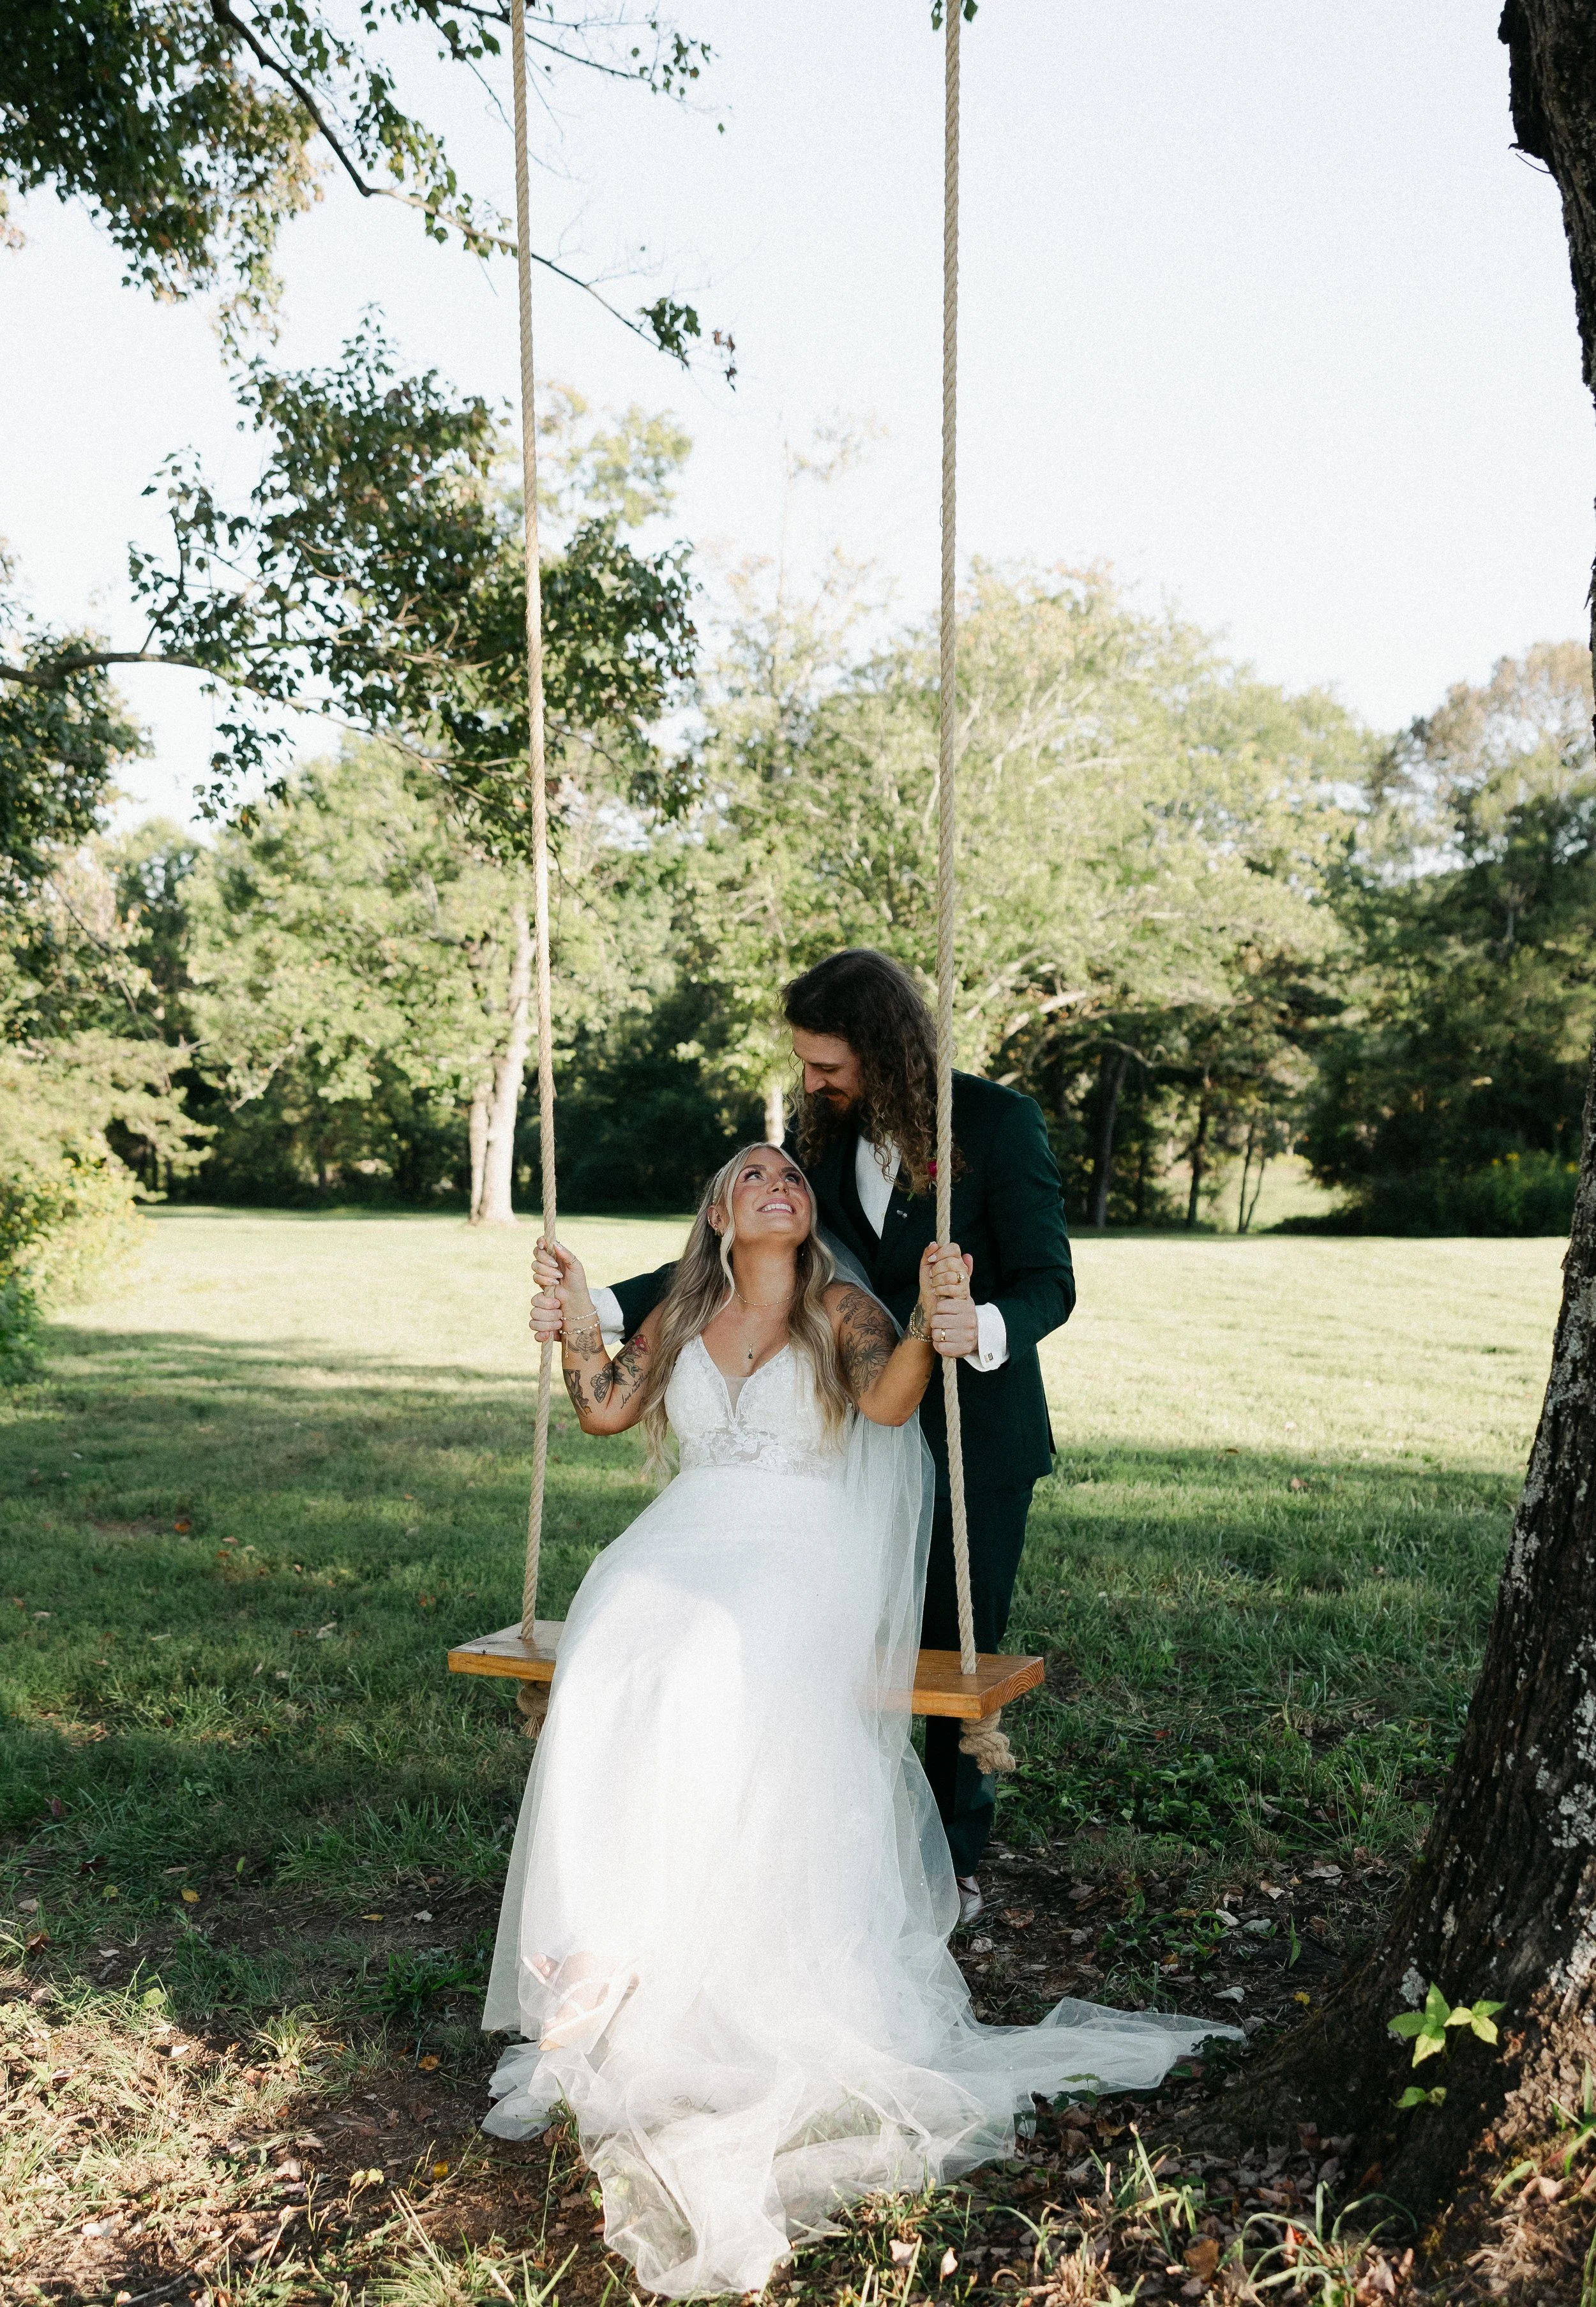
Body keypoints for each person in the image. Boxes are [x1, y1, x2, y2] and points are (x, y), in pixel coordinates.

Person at [484, 1143, 1230, 2298]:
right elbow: (603, 1408)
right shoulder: (686, 1305)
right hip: (689, 1528)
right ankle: (602, 1936)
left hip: (801, 1540)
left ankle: (661, 1944)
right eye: (754, 1172)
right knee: (610, 1647)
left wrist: (937, 1321)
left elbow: (887, 1404)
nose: (781, 1182)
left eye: (794, 1173)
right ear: (720, 1207)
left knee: (707, 1656)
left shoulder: (835, 1302)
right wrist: (574, 1319)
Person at [538, 947, 1074, 1920]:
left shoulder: (997, 1124)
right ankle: (792, 1834)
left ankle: (950, 1862)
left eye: (827, 1064)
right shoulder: (819, 1146)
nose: (813, 1082)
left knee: (952, 1648)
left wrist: (977, 1324)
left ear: (883, 1047)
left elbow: (1050, 1278)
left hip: (970, 1429)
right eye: (806, 1064)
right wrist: (601, 1311)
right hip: (832, 1431)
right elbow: (732, 1260)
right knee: (820, 1642)